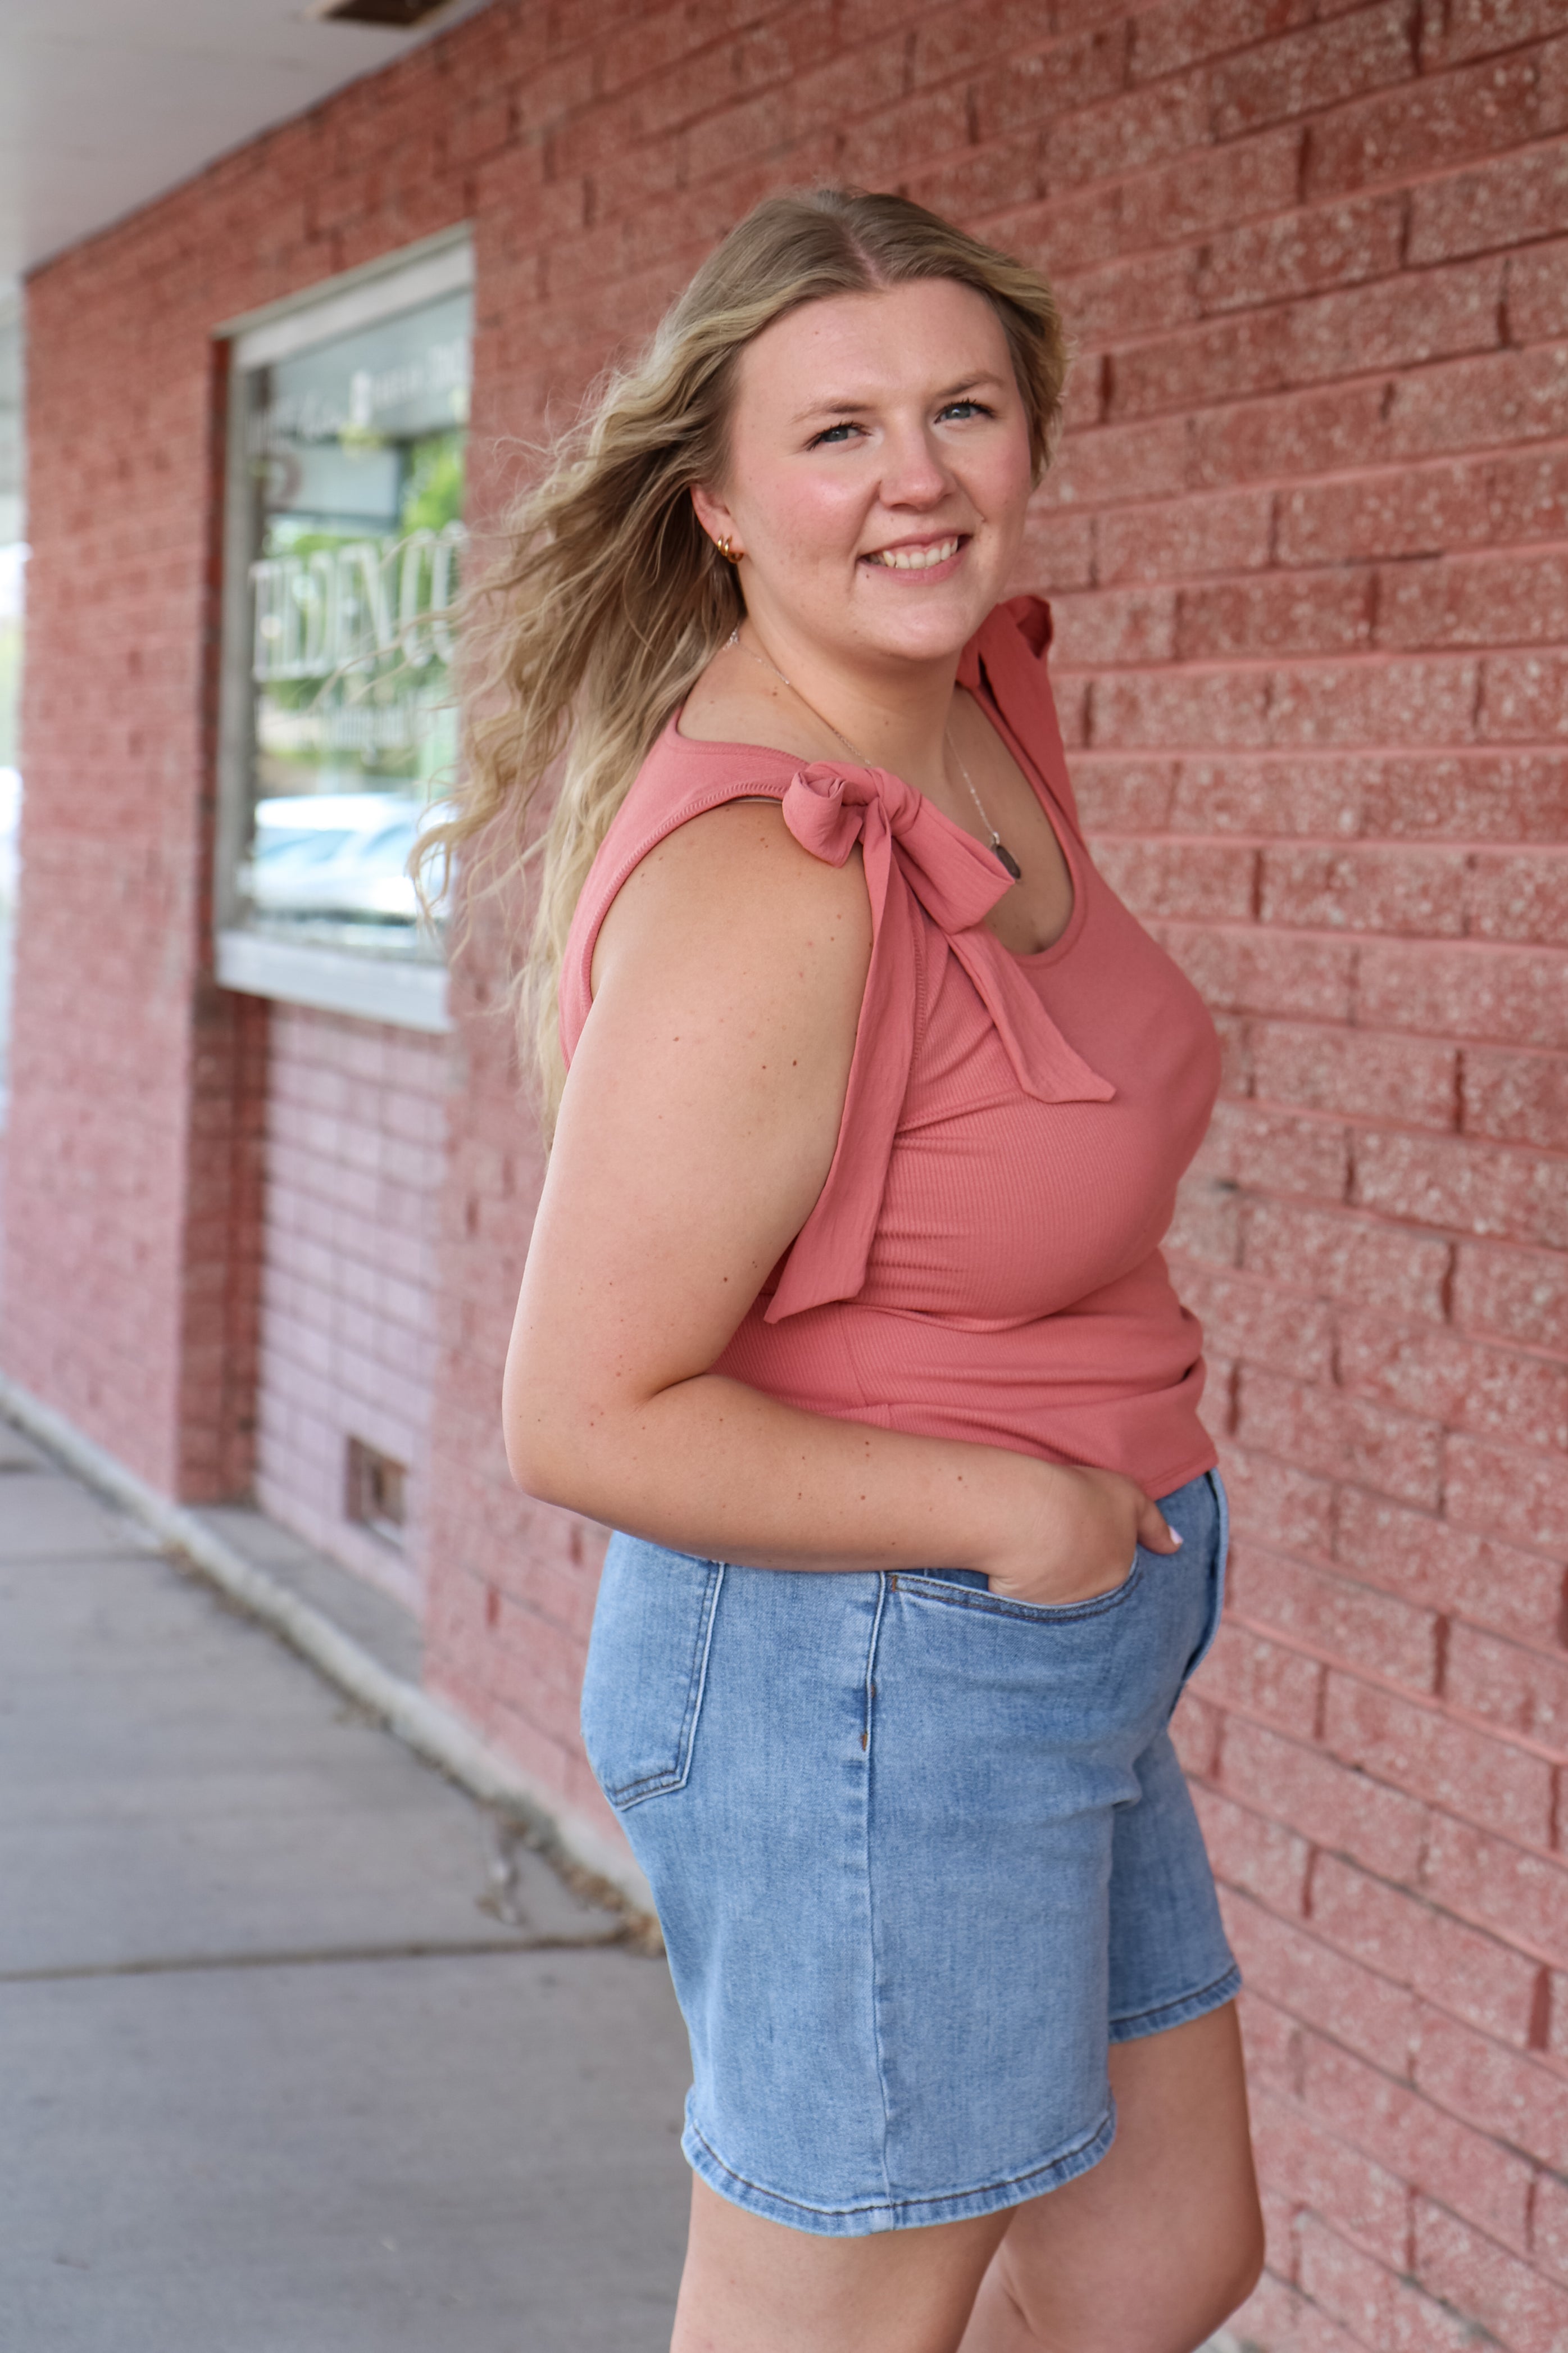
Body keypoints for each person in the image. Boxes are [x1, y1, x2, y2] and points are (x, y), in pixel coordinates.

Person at [439, 187, 1264, 2353]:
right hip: (872, 1665)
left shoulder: (975, 697)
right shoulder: (769, 882)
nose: (917, 478)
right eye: (837, 433)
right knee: (826, 2322)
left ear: (1029, 438)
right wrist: (1023, 1509)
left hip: (1035, 1643)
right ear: (712, 496)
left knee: (1154, 2263)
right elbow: (580, 1412)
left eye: (963, 408)